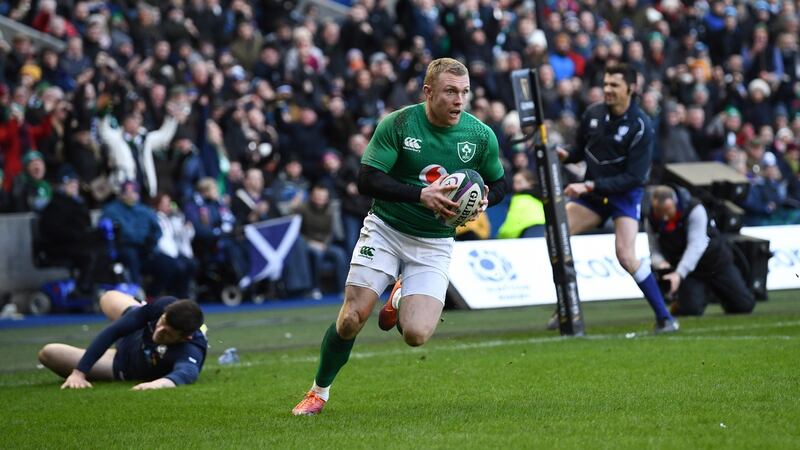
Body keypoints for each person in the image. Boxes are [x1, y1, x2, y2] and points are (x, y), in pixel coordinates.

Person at [291, 58, 507, 416]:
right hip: (386, 229)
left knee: (416, 335)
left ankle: (400, 292)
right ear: (428, 92)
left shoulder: (480, 136)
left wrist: (485, 199)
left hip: (433, 242)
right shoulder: (399, 123)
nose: (459, 100)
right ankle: (319, 392)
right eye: (450, 92)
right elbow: (367, 180)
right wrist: (420, 194)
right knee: (351, 318)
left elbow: (499, 182)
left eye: (464, 92)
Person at [554, 63, 679, 333]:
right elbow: (579, 151)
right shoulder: (593, 114)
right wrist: (563, 154)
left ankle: (665, 317)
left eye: (614, 85)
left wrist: (587, 186)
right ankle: (567, 307)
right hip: (594, 192)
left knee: (625, 255)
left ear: (631, 89)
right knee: (556, 235)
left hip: (623, 195)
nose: (607, 90)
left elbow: (634, 178)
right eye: (606, 84)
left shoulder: (642, 125)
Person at [37, 290, 207, 390]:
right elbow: (113, 332)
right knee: (108, 297)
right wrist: (79, 373)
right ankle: (138, 309)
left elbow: (186, 373)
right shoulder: (164, 307)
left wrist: (156, 384)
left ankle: (138, 314)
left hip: (121, 363)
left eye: (167, 333)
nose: (159, 331)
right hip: (135, 331)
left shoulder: (191, 348)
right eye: (162, 322)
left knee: (48, 353)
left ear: (185, 337)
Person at [646, 185, 756, 316]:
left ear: (674, 202)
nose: (664, 217)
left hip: (715, 262)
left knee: (744, 306)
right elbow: (654, 250)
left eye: (667, 211)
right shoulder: (651, 219)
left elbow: (696, 245)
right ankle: (683, 301)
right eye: (659, 211)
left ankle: (721, 296)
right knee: (690, 311)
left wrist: (678, 273)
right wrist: (661, 263)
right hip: (691, 272)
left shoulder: (695, 209)